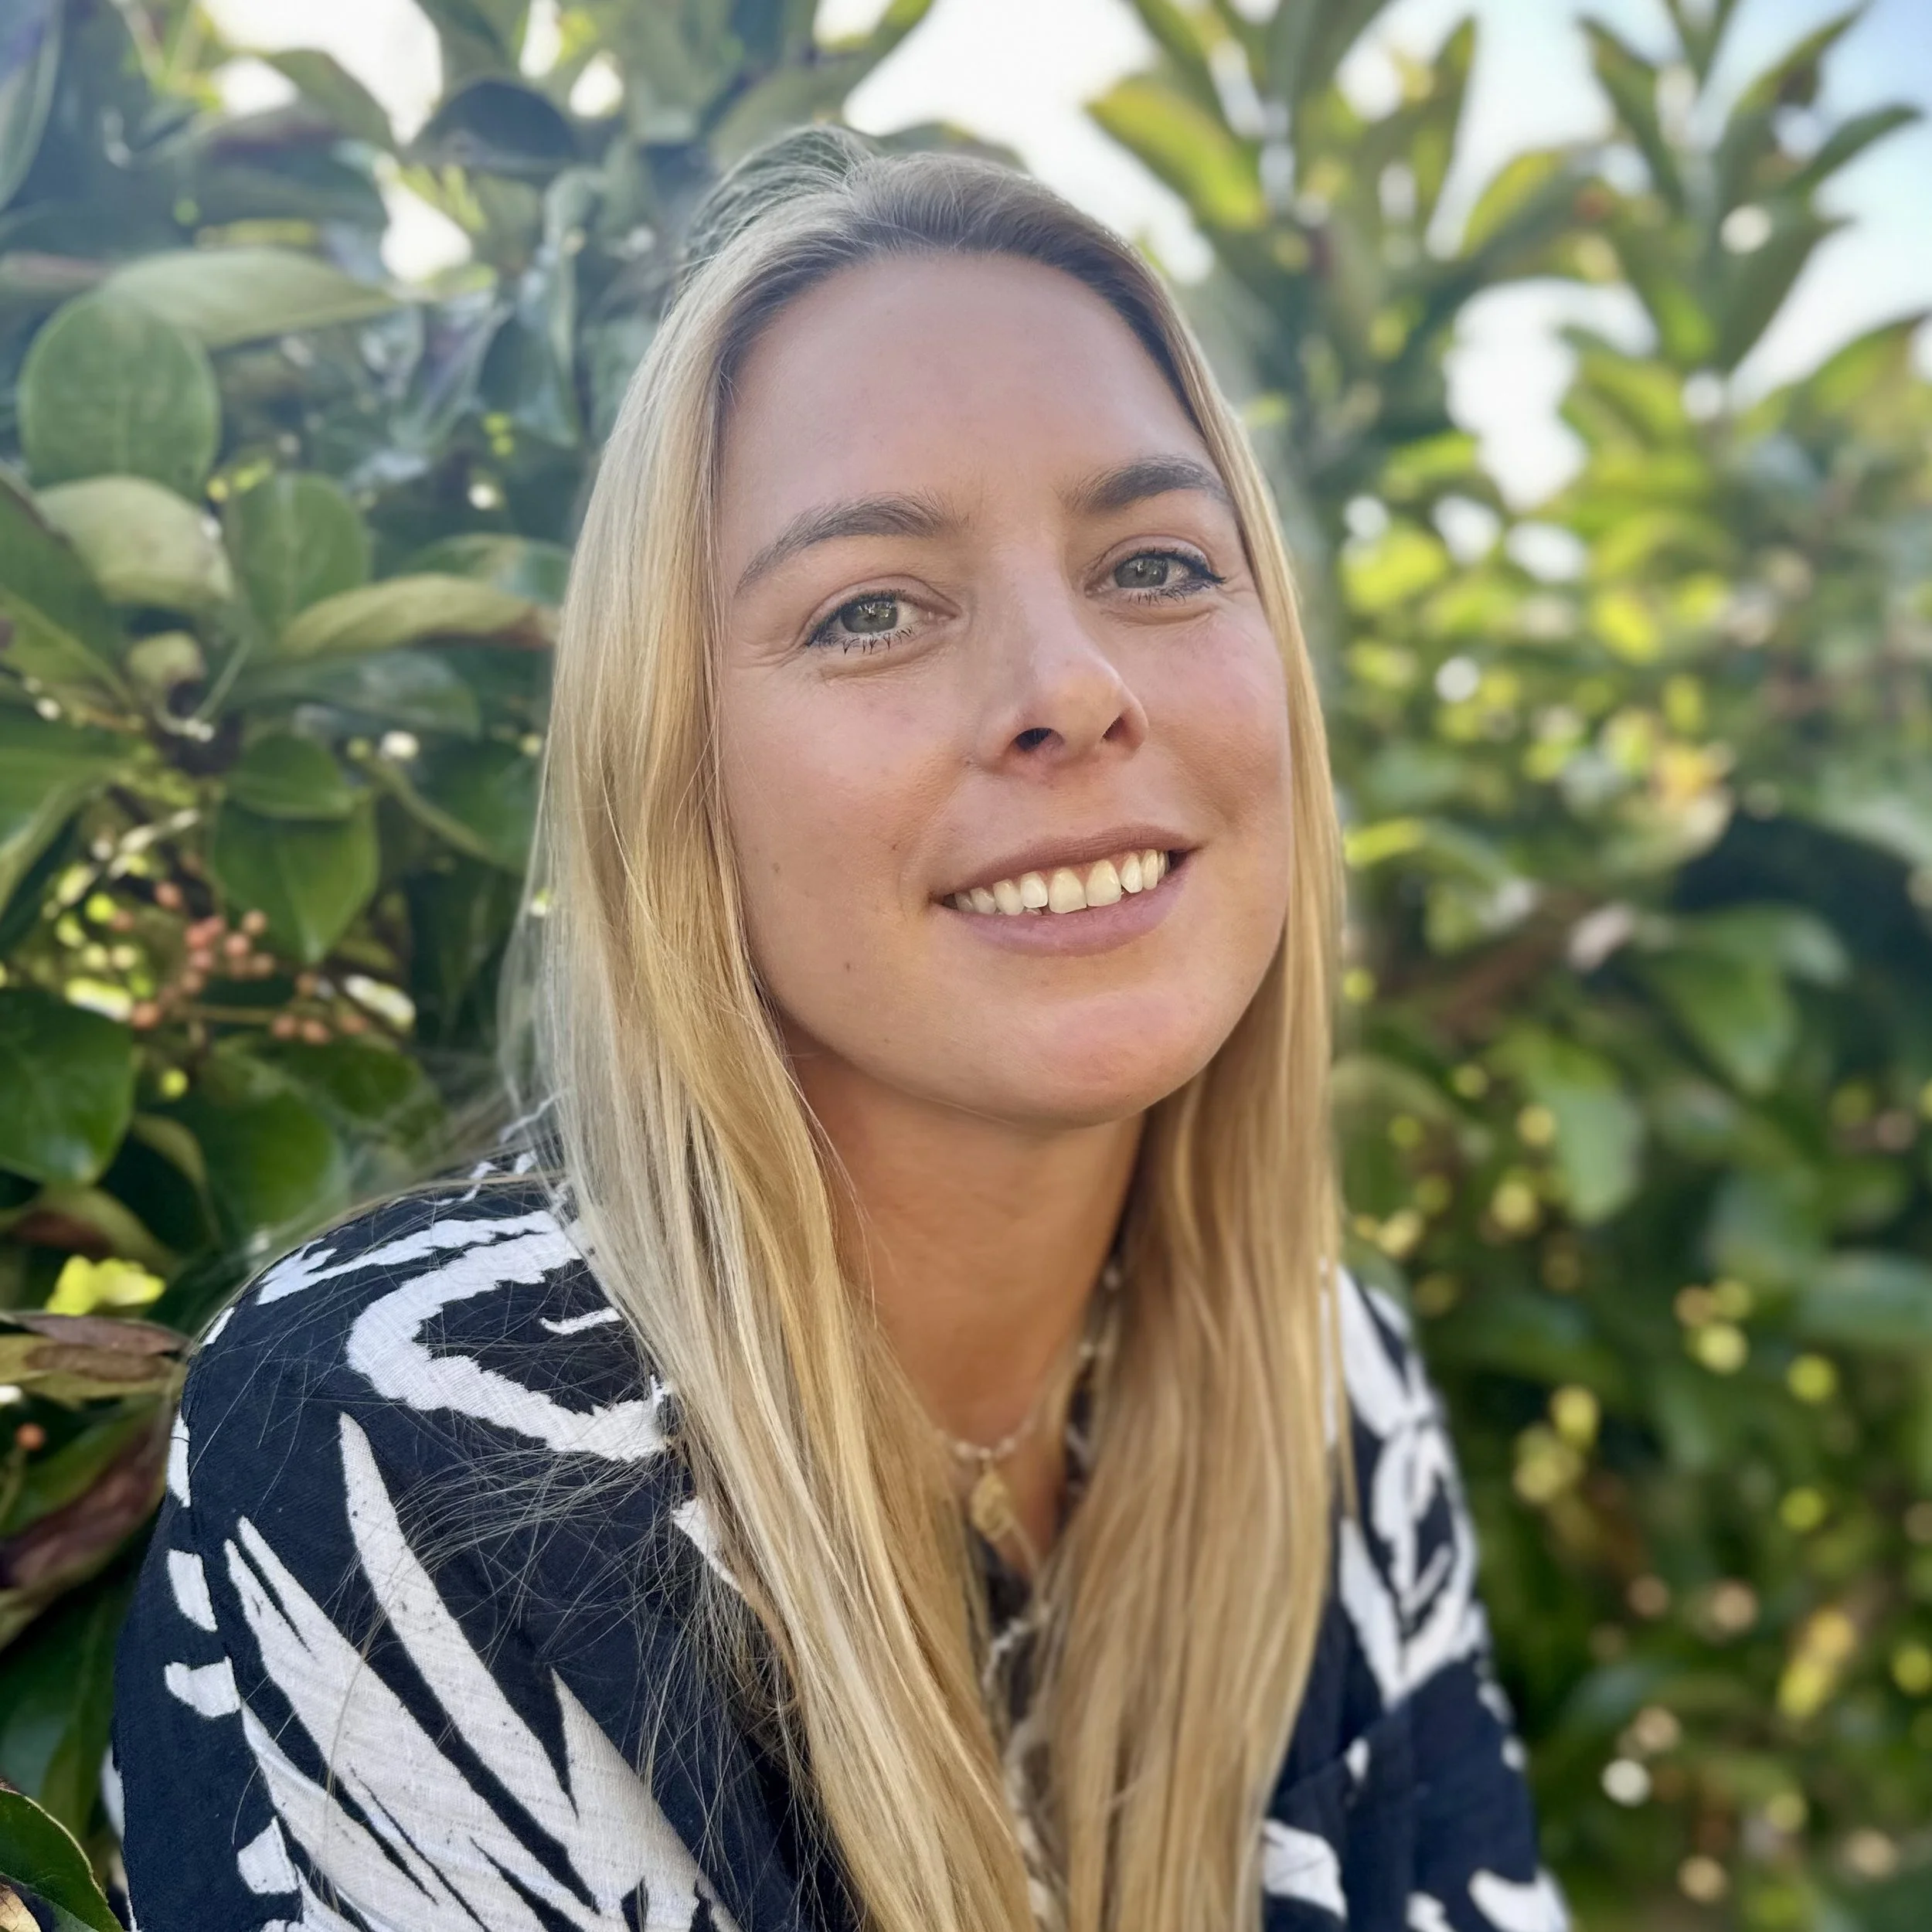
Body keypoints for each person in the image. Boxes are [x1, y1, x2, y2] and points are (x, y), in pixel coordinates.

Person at [111, 127, 1566, 1932]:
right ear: (679, 780)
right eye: (869, 606)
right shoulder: (411, 1435)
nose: (1070, 689)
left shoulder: (1327, 1383)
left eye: (1157, 564)